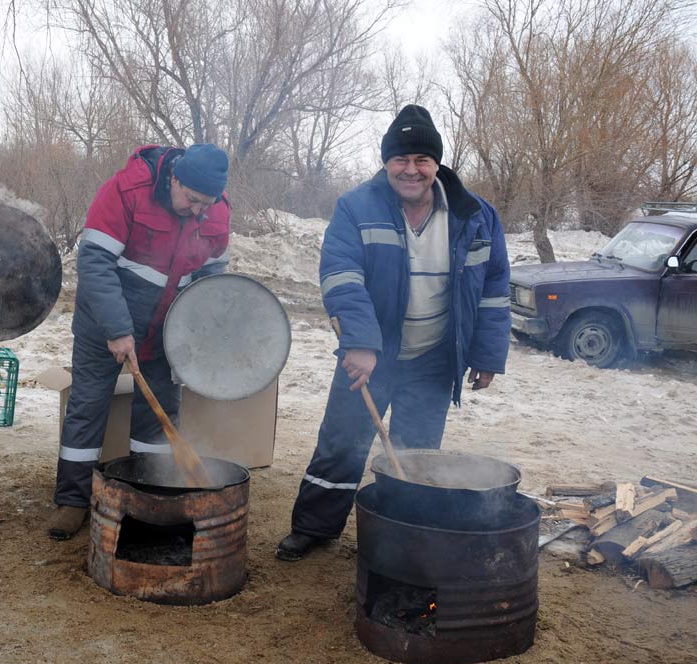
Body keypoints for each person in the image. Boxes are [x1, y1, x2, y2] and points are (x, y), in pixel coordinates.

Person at [276, 105, 511, 561]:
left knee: (417, 455)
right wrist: (362, 344)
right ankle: (314, 528)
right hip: (372, 355)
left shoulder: (476, 215)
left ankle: (404, 538)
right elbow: (341, 277)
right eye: (400, 159)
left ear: (437, 164)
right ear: (386, 163)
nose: (411, 169)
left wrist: (486, 354)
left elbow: (495, 290)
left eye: (422, 159)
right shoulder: (357, 206)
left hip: (434, 360)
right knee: (340, 445)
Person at [48, 143, 231, 540]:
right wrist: (117, 330)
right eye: (192, 200)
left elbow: (212, 282)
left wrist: (194, 342)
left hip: (168, 331)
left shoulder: (216, 211)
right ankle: (72, 501)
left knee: (158, 413)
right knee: (88, 407)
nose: (199, 211)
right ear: (174, 178)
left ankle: (148, 490)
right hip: (105, 323)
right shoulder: (126, 191)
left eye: (207, 204)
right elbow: (95, 263)